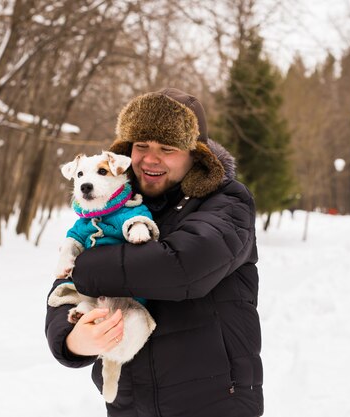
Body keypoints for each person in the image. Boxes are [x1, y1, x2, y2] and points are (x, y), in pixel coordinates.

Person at [45, 87, 263, 417]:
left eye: (167, 148)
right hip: (131, 404)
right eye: (141, 146)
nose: (150, 158)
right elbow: (64, 287)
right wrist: (72, 338)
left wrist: (86, 266)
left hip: (214, 401)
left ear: (196, 154)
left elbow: (182, 269)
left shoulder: (228, 203)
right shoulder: (113, 206)